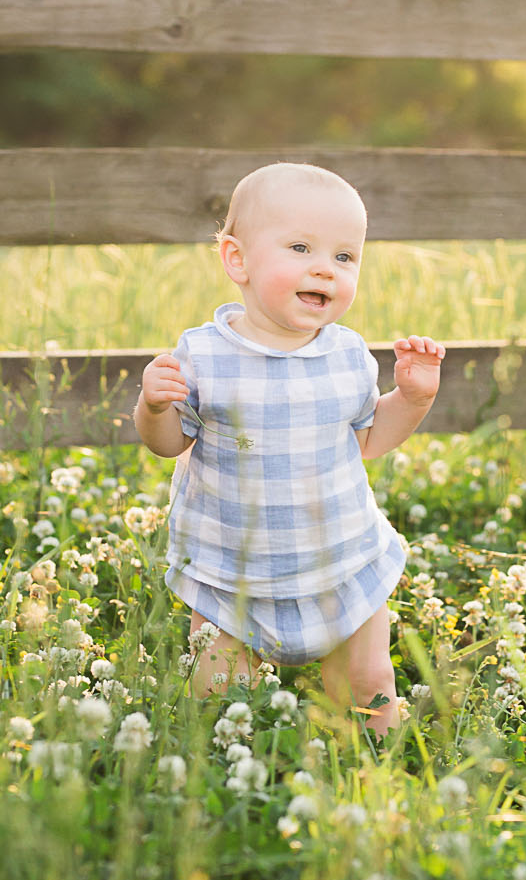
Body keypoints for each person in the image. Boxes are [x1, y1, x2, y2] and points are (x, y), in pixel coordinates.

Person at [134, 162, 447, 734]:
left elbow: (369, 441)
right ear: (238, 260)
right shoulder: (203, 355)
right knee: (222, 697)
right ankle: (237, 775)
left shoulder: (348, 354)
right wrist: (153, 408)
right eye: (301, 248)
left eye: (345, 257)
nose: (325, 269)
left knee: (367, 686)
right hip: (234, 569)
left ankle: (376, 773)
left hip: (342, 560)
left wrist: (412, 397)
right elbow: (169, 443)